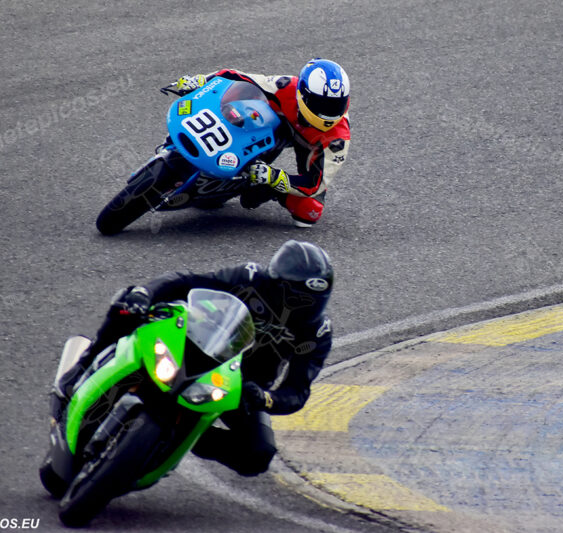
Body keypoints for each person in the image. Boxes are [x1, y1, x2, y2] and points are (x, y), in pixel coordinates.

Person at [52, 240, 334, 476]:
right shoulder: (249, 278)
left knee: (258, 455)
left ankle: (178, 440)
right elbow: (185, 281)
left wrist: (264, 397)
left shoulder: (316, 333)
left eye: (315, 300)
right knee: (129, 303)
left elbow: (297, 391)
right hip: (194, 345)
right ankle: (82, 365)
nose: (307, 307)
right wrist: (145, 294)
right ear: (277, 284)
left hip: (237, 386)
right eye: (300, 297)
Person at [172, 59, 350, 227]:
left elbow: (313, 184)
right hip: (276, 125)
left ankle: (265, 187)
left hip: (309, 147)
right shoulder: (285, 86)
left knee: (309, 211)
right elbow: (237, 77)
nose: (328, 113)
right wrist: (202, 80)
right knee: (240, 96)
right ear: (302, 93)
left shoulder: (337, 140)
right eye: (322, 104)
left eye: (336, 106)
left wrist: (274, 177)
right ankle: (182, 143)